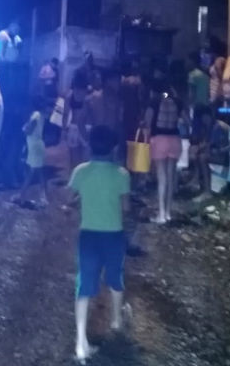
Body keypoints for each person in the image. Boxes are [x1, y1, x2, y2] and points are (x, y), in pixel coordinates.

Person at [68, 125, 130, 362]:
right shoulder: (122, 174)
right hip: (114, 235)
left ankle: (80, 343)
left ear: (89, 145)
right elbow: (126, 207)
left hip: (88, 236)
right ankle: (115, 320)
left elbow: (71, 197)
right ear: (114, 148)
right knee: (116, 278)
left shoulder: (80, 172)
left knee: (84, 284)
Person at [144, 80, 188, 223]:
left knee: (161, 179)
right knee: (170, 177)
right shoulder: (178, 102)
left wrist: (146, 141)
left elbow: (147, 123)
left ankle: (161, 214)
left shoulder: (154, 102)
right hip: (175, 139)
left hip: (159, 140)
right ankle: (168, 212)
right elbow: (187, 121)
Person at [13, 96, 49, 207]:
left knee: (30, 172)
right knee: (39, 172)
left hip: (34, 146)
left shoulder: (35, 115)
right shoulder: (41, 115)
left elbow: (29, 130)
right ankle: (43, 197)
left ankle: (22, 195)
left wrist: (24, 128)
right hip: (38, 145)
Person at [64, 74, 90, 172]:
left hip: (73, 127)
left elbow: (65, 114)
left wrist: (63, 130)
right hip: (86, 127)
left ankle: (73, 180)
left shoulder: (70, 95)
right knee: (85, 158)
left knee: (73, 158)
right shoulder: (88, 94)